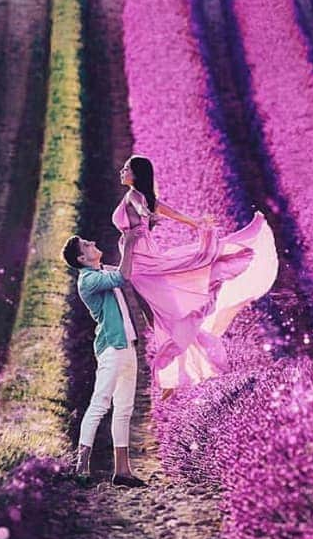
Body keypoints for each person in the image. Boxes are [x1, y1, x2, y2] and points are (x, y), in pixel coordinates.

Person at [114, 154, 278, 397]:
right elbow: (170, 213)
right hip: (143, 259)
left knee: (161, 314)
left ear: (136, 175)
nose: (122, 171)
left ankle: (174, 370)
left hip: (142, 263)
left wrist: (151, 216)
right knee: (163, 314)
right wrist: (194, 223)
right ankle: (178, 369)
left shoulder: (136, 198)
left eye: (126, 168)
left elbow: (145, 209)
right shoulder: (141, 197)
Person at [63, 223, 148, 487]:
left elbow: (127, 268)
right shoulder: (88, 280)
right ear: (81, 258)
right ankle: (81, 466)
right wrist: (131, 243)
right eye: (86, 245)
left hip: (127, 346)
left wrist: (137, 234)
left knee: (124, 409)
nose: (92, 243)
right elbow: (122, 276)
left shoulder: (102, 271)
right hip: (112, 348)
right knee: (100, 404)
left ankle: (122, 472)